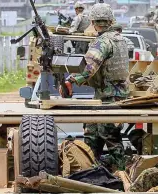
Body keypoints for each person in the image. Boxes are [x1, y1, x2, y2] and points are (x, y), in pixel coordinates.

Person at [60, 3, 129, 171]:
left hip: (108, 97)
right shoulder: (121, 39)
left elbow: (89, 68)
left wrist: (72, 80)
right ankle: (91, 170)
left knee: (109, 136)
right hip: (112, 95)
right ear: (111, 21)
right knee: (92, 134)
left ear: (93, 22)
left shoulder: (102, 42)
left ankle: (121, 173)